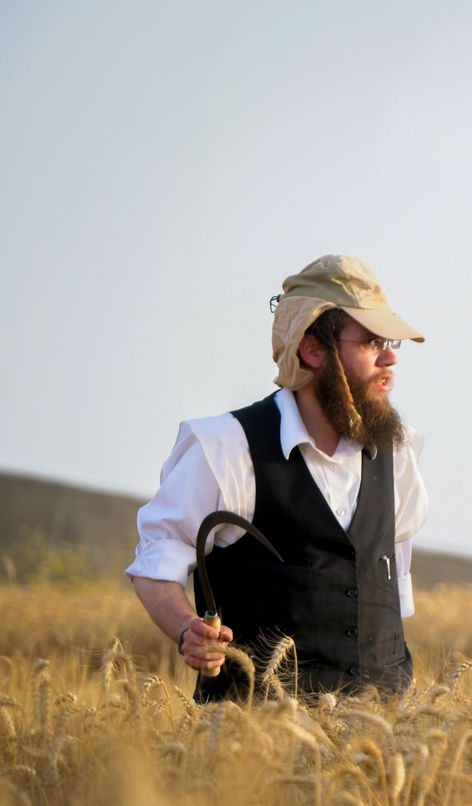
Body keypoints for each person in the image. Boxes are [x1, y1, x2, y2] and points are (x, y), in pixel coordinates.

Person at [126, 255, 429, 702]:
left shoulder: (396, 454)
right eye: (371, 342)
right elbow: (156, 560)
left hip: (378, 750)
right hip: (255, 749)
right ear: (313, 350)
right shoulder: (225, 447)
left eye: (391, 343)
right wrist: (187, 629)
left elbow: (390, 588)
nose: (390, 358)